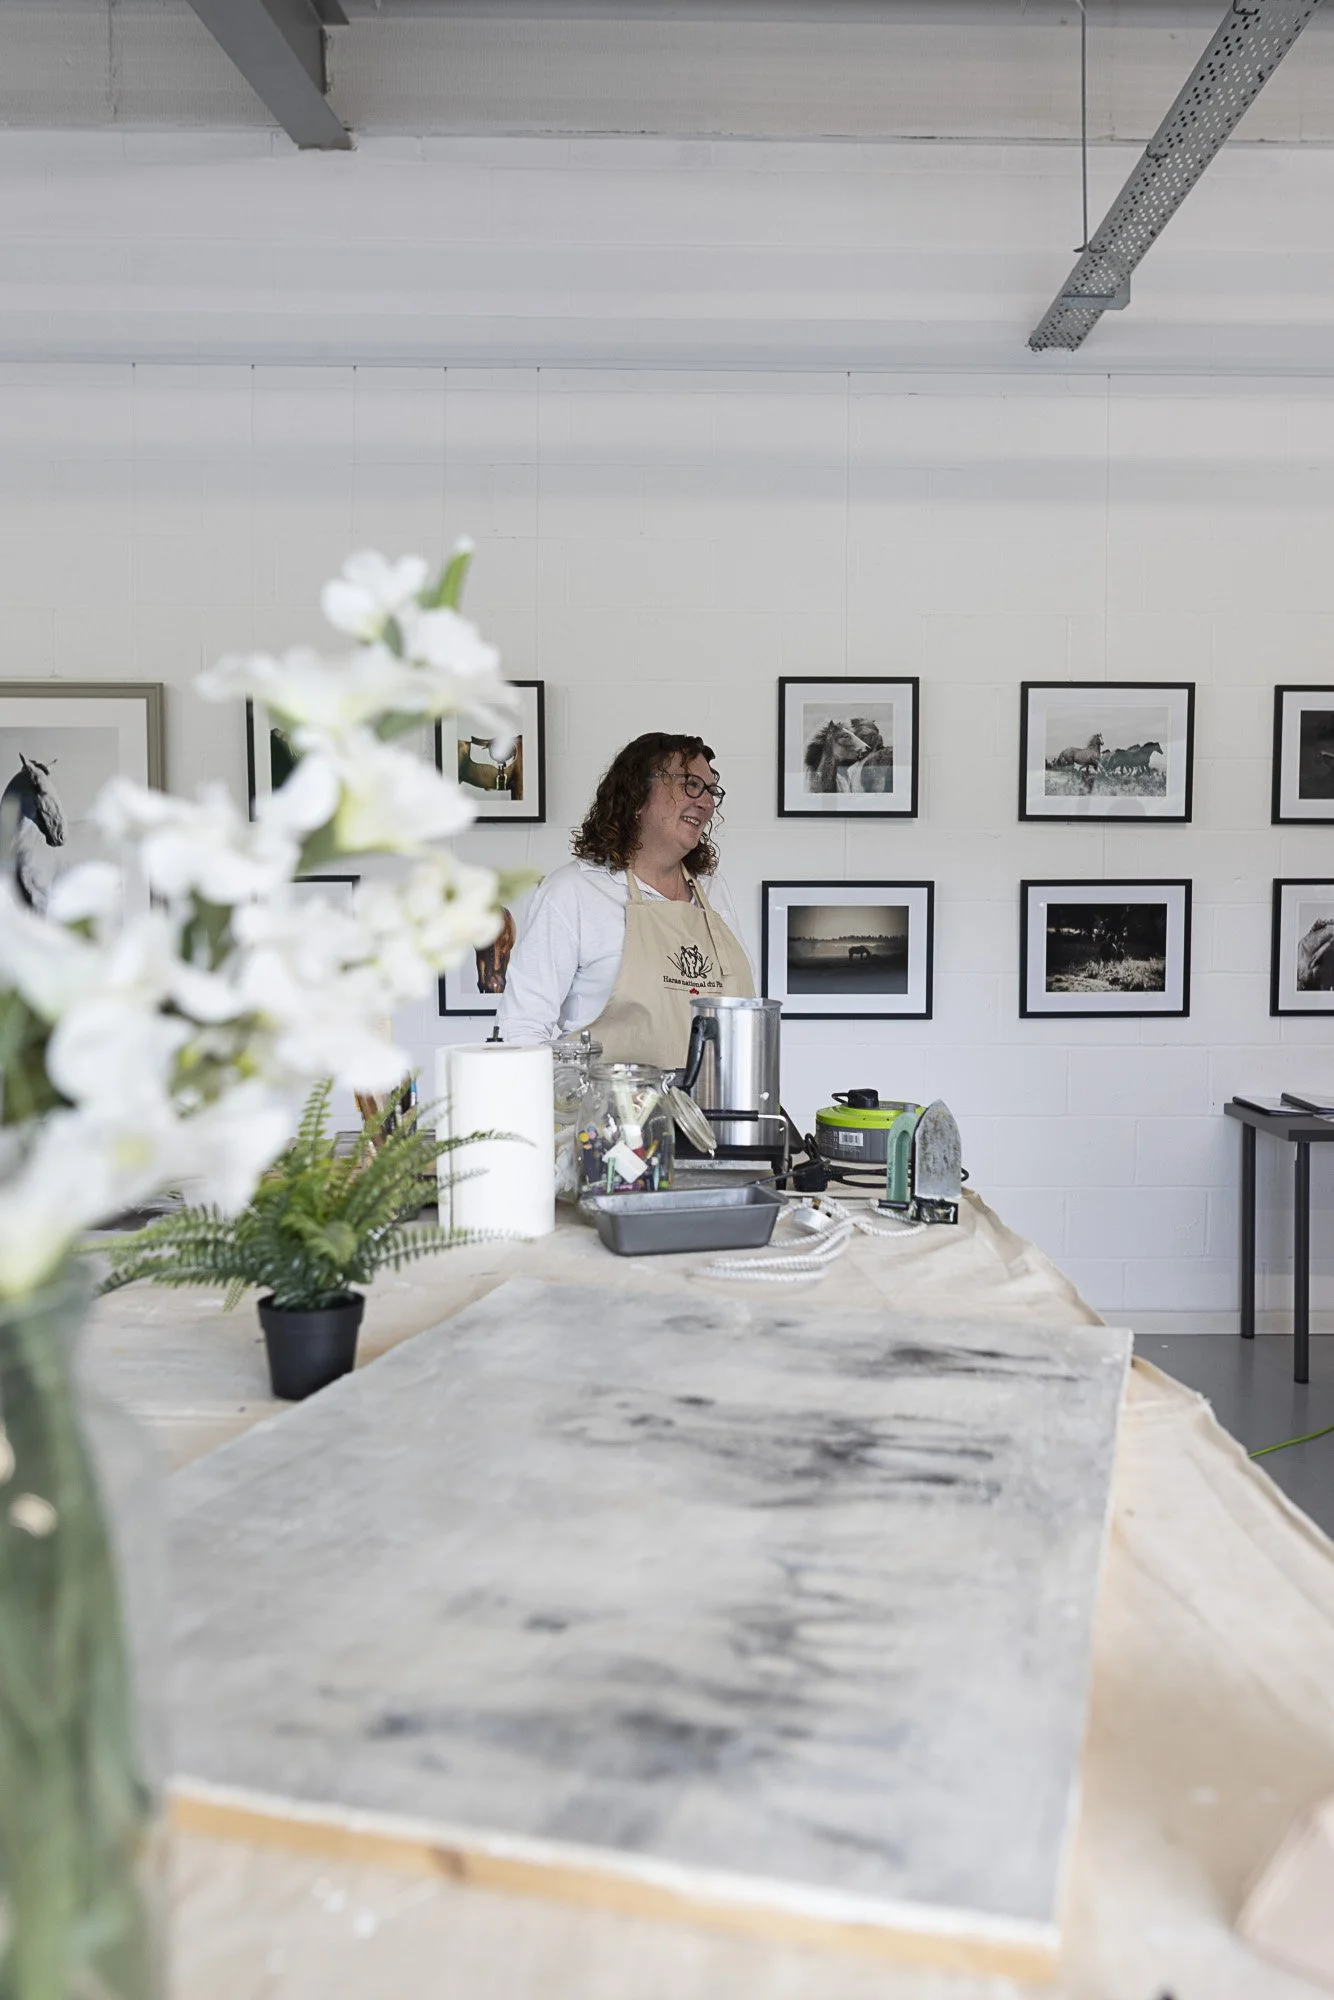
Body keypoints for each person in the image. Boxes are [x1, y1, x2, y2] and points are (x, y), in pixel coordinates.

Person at [496, 731, 755, 1067]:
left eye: (710, 791)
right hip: (607, 1116)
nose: (706, 803)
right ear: (637, 795)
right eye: (690, 784)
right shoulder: (573, 891)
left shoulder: (713, 891)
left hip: (711, 1116)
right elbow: (521, 1029)